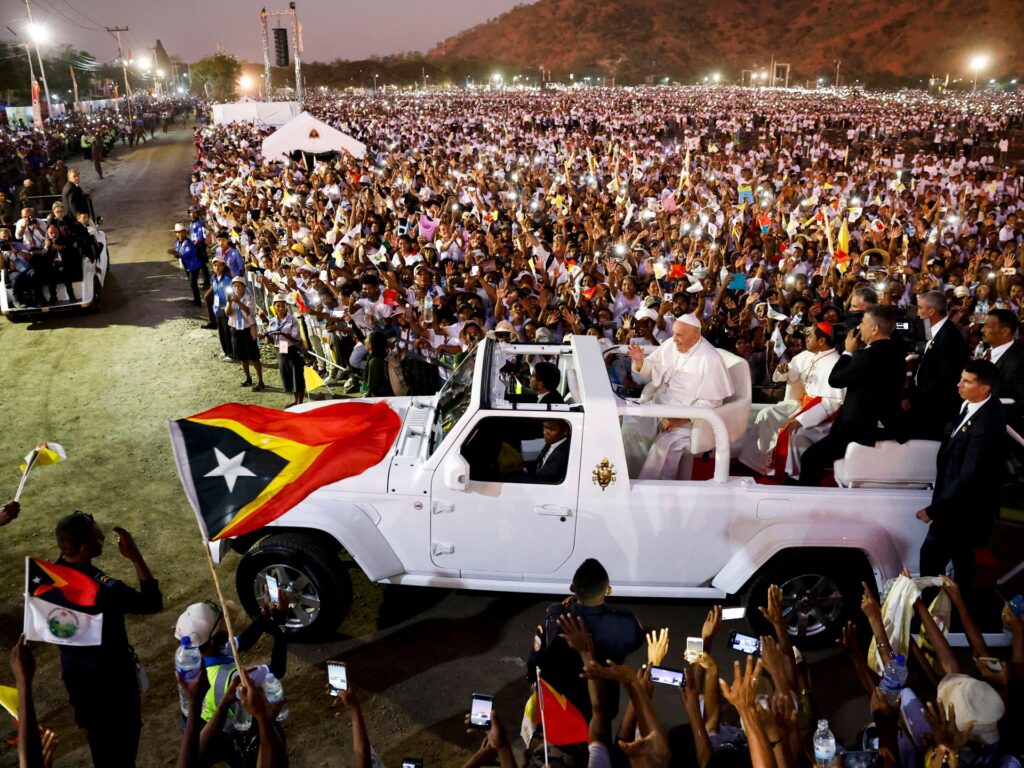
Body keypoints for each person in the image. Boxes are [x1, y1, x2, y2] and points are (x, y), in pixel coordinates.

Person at [53, 510, 163, 768]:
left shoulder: (49, 577)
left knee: (100, 744)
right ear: (83, 548)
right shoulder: (104, 591)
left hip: (79, 683)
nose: (102, 536)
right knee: (122, 749)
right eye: (97, 537)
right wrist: (136, 557)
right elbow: (151, 602)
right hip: (113, 687)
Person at [916, 360, 1006, 601]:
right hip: (959, 502)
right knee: (961, 556)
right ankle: (962, 607)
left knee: (931, 556)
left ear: (984, 388)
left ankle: (931, 611)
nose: (959, 384)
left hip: (961, 507)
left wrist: (934, 509)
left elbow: (970, 473)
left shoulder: (987, 422)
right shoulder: (972, 405)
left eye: (967, 381)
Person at [799, 306, 907, 486]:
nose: (859, 328)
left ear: (875, 329)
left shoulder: (869, 356)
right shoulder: (897, 353)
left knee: (810, 458)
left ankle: (805, 503)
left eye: (863, 323)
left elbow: (835, 380)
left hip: (860, 427)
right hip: (885, 423)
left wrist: (848, 351)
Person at [527, 558, 643, 721]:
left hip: (562, 707)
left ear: (573, 588)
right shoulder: (625, 624)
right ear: (608, 590)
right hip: (602, 704)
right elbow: (638, 631)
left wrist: (561, 609)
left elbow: (534, 663)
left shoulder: (555, 621)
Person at [625, 314, 734, 479]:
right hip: (659, 405)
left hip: (688, 416)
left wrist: (679, 419)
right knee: (631, 428)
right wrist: (640, 361)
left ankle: (651, 487)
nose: (674, 339)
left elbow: (711, 401)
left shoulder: (711, 358)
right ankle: (629, 477)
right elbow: (653, 368)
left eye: (679, 335)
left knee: (664, 446)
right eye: (673, 334)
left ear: (695, 335)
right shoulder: (671, 344)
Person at [738, 322, 844, 478]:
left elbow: (833, 402)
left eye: (810, 336)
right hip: (800, 404)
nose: (806, 338)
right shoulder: (806, 355)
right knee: (767, 414)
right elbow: (790, 372)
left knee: (793, 431)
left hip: (822, 418)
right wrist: (783, 371)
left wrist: (802, 419)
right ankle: (756, 464)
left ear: (821, 341)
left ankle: (791, 473)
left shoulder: (835, 363)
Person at [907, 291, 969, 439]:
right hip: (921, 400)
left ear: (931, 311)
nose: (917, 313)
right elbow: (924, 355)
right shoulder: (929, 328)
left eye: (921, 308)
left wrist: (913, 401)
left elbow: (943, 379)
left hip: (934, 409)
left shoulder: (949, 337)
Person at [982, 309, 1024, 432]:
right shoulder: (986, 351)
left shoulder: (1018, 362)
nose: (982, 330)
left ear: (1005, 331)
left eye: (987, 325)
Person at [263, 293, 306, 406]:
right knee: (287, 374)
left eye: (283, 305)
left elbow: (296, 339)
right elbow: (272, 341)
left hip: (292, 350)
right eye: (278, 306)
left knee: (297, 376)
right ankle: (295, 400)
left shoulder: (292, 320)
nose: (281, 308)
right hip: (280, 350)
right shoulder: (272, 321)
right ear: (274, 307)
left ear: (286, 306)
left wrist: (283, 334)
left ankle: (300, 402)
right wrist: (266, 335)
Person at [225, 275, 265, 392]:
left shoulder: (249, 297)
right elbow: (228, 313)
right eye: (234, 286)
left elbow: (249, 311)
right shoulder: (231, 298)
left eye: (238, 286)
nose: (236, 288)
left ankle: (260, 381)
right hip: (235, 328)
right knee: (242, 355)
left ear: (243, 287)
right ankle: (248, 377)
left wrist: (238, 302)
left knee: (254, 356)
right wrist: (229, 303)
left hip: (247, 329)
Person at [169, 222, 208, 306]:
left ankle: (197, 302)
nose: (179, 234)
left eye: (180, 232)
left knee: (193, 283)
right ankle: (197, 300)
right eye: (177, 232)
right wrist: (175, 253)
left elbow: (183, 254)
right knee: (192, 283)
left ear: (184, 232)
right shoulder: (177, 243)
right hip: (188, 266)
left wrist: (175, 253)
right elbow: (178, 255)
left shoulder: (188, 243)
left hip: (194, 266)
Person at [362, 330, 394, 397]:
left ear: (372, 344)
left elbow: (372, 385)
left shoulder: (374, 361)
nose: (365, 340)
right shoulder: (383, 356)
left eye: (367, 338)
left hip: (380, 395)